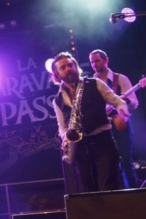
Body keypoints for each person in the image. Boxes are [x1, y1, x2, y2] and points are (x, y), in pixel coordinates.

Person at [51, 52, 129, 194]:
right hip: (80, 147)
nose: (68, 69)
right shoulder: (57, 100)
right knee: (88, 190)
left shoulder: (95, 83)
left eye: (71, 65)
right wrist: (66, 138)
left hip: (103, 143)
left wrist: (122, 115)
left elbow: (119, 102)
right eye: (63, 67)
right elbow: (62, 126)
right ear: (56, 74)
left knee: (108, 186)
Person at [89, 49, 140, 189]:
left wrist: (124, 101)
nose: (94, 64)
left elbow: (134, 104)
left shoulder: (120, 79)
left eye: (97, 60)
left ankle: (135, 195)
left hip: (121, 126)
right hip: (103, 128)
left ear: (106, 60)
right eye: (92, 62)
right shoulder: (91, 84)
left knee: (126, 162)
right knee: (107, 165)